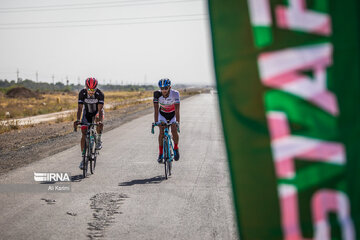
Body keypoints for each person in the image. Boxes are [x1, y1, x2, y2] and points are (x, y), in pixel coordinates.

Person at [74, 77, 105, 170]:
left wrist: (99, 121)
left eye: (93, 89)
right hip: (86, 113)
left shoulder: (100, 94)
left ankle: (99, 139)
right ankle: (83, 158)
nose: (91, 91)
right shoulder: (82, 93)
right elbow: (80, 108)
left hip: (97, 113)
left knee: (98, 122)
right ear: (86, 87)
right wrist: (78, 119)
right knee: (84, 133)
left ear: (96, 88)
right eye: (89, 89)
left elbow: (100, 110)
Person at [153, 78, 180, 163]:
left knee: (174, 130)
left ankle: (175, 148)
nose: (164, 90)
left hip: (173, 114)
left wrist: (177, 122)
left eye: (166, 88)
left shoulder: (175, 94)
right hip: (162, 114)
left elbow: (177, 110)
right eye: (162, 88)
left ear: (170, 87)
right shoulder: (157, 94)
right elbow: (156, 110)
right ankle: (160, 153)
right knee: (161, 132)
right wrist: (156, 122)